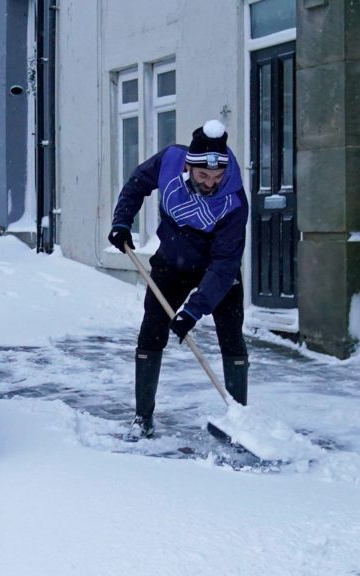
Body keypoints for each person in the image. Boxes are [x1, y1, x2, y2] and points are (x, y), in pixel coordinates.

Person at [108, 119, 250, 442]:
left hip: (217, 269)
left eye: (217, 176)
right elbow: (136, 183)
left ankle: (239, 419)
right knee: (151, 331)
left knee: (231, 334)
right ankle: (142, 417)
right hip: (172, 262)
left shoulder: (234, 199)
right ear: (189, 166)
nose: (211, 183)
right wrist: (121, 222)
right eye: (203, 176)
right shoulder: (170, 161)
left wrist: (193, 310)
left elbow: (226, 264)